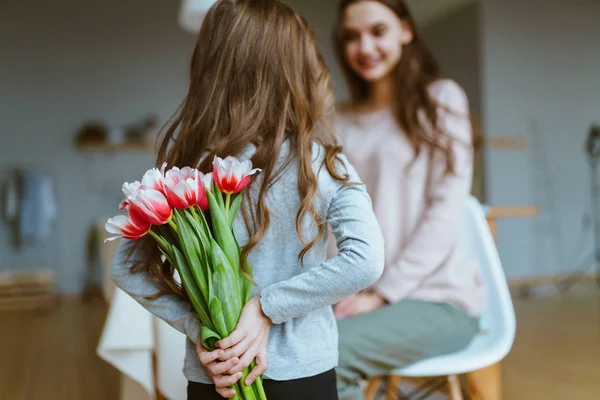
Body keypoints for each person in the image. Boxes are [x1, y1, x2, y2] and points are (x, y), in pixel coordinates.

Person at [109, 1, 385, 399]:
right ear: (296, 72)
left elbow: (126, 268)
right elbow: (366, 260)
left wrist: (203, 328)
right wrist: (266, 308)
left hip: (215, 373)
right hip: (303, 374)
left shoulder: (187, 166)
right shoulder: (319, 161)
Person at [330, 1, 486, 399]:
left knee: (326, 355)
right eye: (352, 36)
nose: (365, 47)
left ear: (405, 30)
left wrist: (382, 294)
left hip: (437, 298)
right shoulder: (336, 119)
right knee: (289, 349)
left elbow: (446, 213)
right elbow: (333, 215)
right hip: (360, 296)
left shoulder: (441, 100)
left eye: (377, 31)